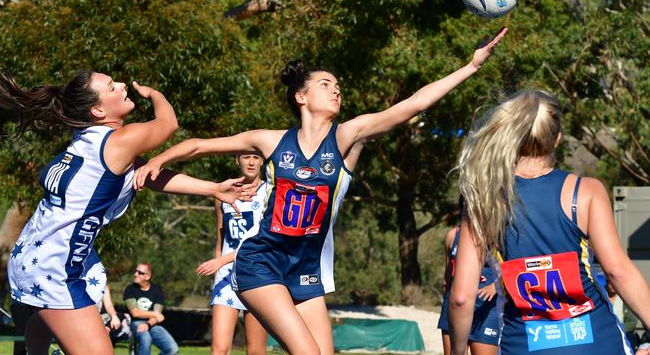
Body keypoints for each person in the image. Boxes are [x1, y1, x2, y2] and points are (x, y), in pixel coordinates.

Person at [134, 28, 507, 355]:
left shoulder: (344, 137)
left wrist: (471, 66)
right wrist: (158, 159)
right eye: (325, 84)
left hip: (305, 268)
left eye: (337, 85)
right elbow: (198, 145)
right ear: (301, 97)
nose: (336, 89)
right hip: (262, 261)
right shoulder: (271, 141)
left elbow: (412, 105)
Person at [1, 70, 255, 355]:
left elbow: (149, 175)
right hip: (53, 266)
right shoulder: (119, 141)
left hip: (36, 255)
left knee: (44, 323)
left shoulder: (89, 140)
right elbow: (168, 123)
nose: (122, 85)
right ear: (97, 110)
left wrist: (213, 189)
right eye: (112, 87)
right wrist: (154, 93)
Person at [449, 90, 650, 355]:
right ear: (557, 139)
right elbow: (618, 272)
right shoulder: (586, 191)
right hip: (597, 342)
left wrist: (457, 350)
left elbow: (462, 298)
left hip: (522, 344)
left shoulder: (484, 201)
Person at [195, 153, 269, 355]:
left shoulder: (269, 192)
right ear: (237, 160)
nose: (251, 162)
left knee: (255, 350)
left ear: (262, 161)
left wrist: (220, 261)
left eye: (256, 157)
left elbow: (261, 241)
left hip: (257, 273)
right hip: (226, 276)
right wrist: (219, 264)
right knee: (219, 348)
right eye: (246, 157)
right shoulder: (223, 194)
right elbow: (221, 238)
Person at [438, 226, 498, 355]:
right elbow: (448, 273)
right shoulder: (453, 235)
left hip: (485, 307)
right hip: (455, 305)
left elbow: (514, 265)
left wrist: (496, 285)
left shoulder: (496, 232)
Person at [124, 262, 178, 355]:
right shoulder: (130, 289)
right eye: (136, 271)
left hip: (152, 324)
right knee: (146, 338)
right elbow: (135, 313)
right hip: (135, 322)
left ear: (147, 276)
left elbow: (156, 317)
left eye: (140, 272)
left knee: (172, 349)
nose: (135, 274)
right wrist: (156, 314)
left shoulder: (157, 290)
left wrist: (148, 325)